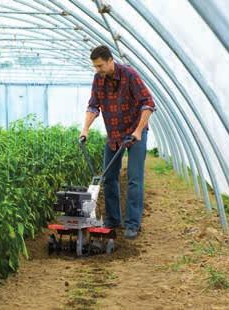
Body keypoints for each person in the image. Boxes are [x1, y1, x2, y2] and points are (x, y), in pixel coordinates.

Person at [79, 45, 156, 239]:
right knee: (109, 177)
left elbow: (148, 103)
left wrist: (138, 130)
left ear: (110, 60)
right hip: (114, 134)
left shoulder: (129, 75)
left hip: (135, 132)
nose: (98, 70)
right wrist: (85, 129)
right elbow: (93, 106)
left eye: (100, 66)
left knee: (134, 179)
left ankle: (132, 224)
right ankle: (113, 220)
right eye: (95, 67)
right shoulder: (98, 79)